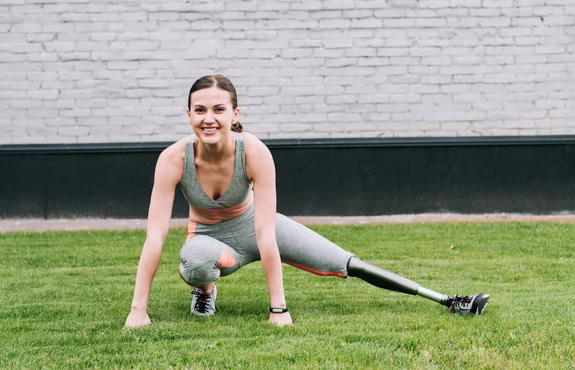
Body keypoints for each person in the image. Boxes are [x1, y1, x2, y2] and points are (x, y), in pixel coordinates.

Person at [124, 74, 489, 328]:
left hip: (254, 227)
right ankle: (204, 290)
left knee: (347, 262)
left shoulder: (254, 153)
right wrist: (138, 310)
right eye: (199, 110)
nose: (209, 118)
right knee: (197, 261)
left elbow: (266, 234)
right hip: (210, 239)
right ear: (188, 114)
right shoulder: (173, 159)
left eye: (219, 109)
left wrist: (278, 308)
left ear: (234, 115)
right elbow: (154, 237)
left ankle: (448, 300)